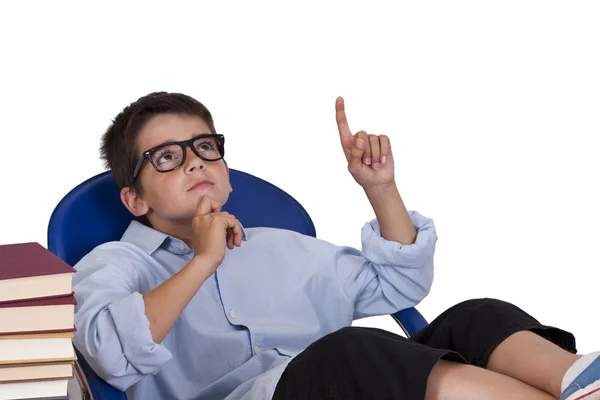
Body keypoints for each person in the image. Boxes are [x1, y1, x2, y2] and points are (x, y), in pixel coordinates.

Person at [72, 91, 599, 400]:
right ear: (134, 199)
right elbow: (109, 356)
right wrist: (204, 258)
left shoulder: (283, 247)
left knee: (475, 316)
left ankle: (580, 380)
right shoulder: (115, 264)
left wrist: (380, 190)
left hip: (356, 384)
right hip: (286, 390)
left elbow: (399, 284)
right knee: (347, 352)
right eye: (166, 157)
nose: (194, 162)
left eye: (205, 147)